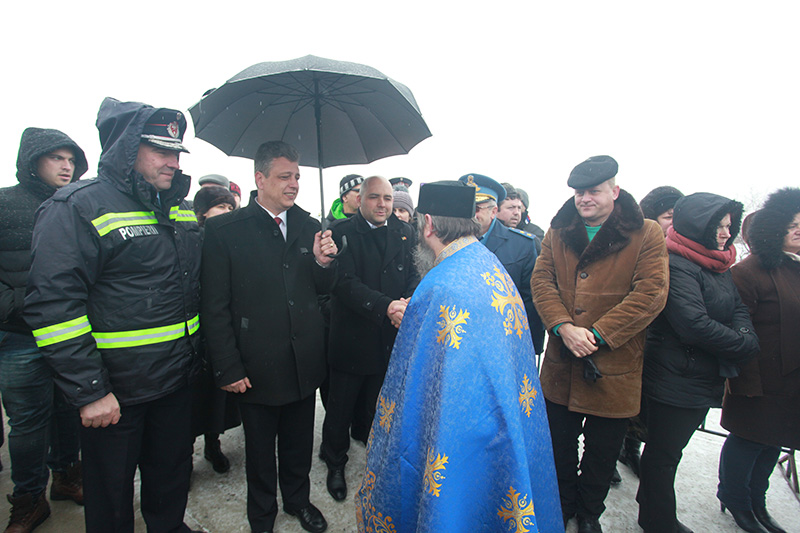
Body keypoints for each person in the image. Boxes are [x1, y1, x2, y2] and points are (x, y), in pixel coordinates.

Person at [24, 98, 202, 533]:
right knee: (111, 497)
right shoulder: (77, 207)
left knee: (171, 479)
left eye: (176, 152)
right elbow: (53, 306)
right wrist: (89, 390)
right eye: (160, 150)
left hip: (176, 381)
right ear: (126, 149)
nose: (172, 162)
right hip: (115, 394)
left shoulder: (178, 207)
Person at [356, 180, 563, 533]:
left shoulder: (441, 284)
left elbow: (413, 377)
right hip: (496, 416)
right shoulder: (487, 262)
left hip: (458, 424)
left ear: (430, 225)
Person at [201, 141, 337, 533]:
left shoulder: (311, 226)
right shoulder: (224, 230)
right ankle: (261, 515)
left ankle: (298, 500)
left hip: (302, 361)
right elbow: (214, 306)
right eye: (284, 177)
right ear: (259, 179)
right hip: (255, 365)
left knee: (298, 445)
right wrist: (227, 366)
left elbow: (323, 288)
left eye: (297, 176)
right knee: (260, 452)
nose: (294, 184)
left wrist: (324, 261)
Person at [531, 155, 669, 533]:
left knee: (602, 452)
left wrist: (596, 334)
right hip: (562, 361)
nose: (585, 198)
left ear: (615, 191)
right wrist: (562, 326)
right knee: (558, 444)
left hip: (614, 364)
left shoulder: (648, 233)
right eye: (579, 192)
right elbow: (541, 282)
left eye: (594, 191)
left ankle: (590, 514)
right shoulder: (557, 230)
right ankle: (561, 506)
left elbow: (651, 293)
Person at [637, 192, 759, 533]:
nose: (725, 233)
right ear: (698, 225)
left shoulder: (716, 263)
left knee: (669, 452)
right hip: (675, 374)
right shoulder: (676, 262)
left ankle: (652, 510)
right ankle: (657, 521)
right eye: (718, 226)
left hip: (699, 375)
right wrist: (742, 343)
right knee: (664, 454)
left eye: (728, 226)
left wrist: (744, 334)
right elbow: (692, 324)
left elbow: (738, 309)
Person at [1, 127, 88, 531]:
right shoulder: (5, 204)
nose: (66, 166)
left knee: (70, 410)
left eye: (71, 159)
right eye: (57, 158)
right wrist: (15, 306)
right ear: (33, 161)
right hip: (21, 337)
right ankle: (28, 497)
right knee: (29, 423)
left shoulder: (78, 205)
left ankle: (66, 476)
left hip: (71, 333)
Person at [320, 176, 418, 503]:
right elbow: (343, 284)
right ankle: (334, 461)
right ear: (360, 199)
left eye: (388, 198)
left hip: (387, 338)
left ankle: (372, 449)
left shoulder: (404, 232)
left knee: (378, 406)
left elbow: (413, 276)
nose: (382, 205)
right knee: (340, 410)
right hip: (351, 338)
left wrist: (406, 302)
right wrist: (385, 306)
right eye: (374, 197)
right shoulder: (341, 233)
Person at [718, 187, 800, 533]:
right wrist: (744, 382)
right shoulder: (749, 271)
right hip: (758, 376)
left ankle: (756, 501)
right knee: (748, 440)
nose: (799, 230)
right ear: (773, 227)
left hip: (791, 378)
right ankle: (735, 499)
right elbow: (737, 329)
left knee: (772, 443)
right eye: (792, 224)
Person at [618, 185, 685, 479]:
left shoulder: (683, 253)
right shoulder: (634, 244)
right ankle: (623, 449)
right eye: (668, 215)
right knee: (623, 401)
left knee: (646, 402)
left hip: (665, 342)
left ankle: (632, 447)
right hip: (631, 335)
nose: (672, 223)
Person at [459, 174, 545, 355]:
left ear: (493, 211)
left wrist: (530, 349)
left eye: (476, 208)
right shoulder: (450, 242)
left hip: (504, 344)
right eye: (465, 207)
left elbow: (530, 301)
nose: (470, 214)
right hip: (462, 341)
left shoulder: (522, 245)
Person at [190, 186, 239, 475]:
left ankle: (213, 444)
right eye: (221, 207)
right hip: (193, 332)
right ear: (203, 212)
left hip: (220, 330)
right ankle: (184, 455)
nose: (227, 214)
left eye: (231, 209)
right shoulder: (191, 240)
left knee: (216, 397)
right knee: (191, 401)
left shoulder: (231, 241)